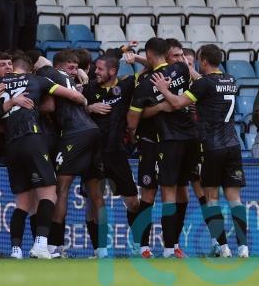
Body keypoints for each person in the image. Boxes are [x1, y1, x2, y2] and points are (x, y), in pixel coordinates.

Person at [0, 52, 87, 259]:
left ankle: (16, 251)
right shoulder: (36, 79)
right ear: (29, 69)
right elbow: (72, 95)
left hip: (11, 145)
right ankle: (40, 245)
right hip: (33, 139)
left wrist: (8, 104)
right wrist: (84, 101)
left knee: (23, 202)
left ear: (13, 66)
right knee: (49, 194)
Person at [152, 44, 248, 258]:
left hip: (212, 147)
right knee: (235, 200)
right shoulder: (230, 80)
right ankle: (244, 248)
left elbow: (177, 103)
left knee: (211, 198)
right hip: (233, 145)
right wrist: (190, 69)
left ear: (203, 60)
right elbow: (206, 82)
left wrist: (163, 89)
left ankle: (223, 247)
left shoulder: (203, 84)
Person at [127, 37, 194, 259]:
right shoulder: (183, 70)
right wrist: (160, 107)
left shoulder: (145, 84)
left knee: (152, 194)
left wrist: (133, 136)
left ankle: (146, 247)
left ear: (148, 56)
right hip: (181, 139)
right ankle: (169, 247)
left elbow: (133, 120)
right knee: (170, 194)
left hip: (155, 142)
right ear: (167, 54)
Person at [37, 50, 105, 258]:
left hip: (74, 135)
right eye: (71, 67)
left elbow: (48, 105)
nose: (74, 71)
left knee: (61, 189)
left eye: (76, 67)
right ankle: (101, 250)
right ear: (60, 65)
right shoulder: (71, 82)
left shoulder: (49, 75)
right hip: (93, 131)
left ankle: (55, 246)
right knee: (95, 193)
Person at [82, 54, 140, 251]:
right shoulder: (88, 89)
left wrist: (137, 58)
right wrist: (88, 108)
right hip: (92, 153)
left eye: (99, 69)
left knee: (133, 203)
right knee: (95, 201)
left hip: (116, 153)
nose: (95, 72)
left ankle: (140, 245)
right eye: (94, 68)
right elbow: (70, 112)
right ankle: (101, 250)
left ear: (112, 71)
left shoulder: (125, 87)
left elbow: (155, 67)